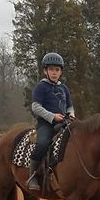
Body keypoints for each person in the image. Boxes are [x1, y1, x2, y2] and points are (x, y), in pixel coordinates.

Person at [27, 52, 75, 192]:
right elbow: (35, 107)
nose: (54, 73)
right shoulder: (41, 87)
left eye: (57, 70)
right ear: (45, 71)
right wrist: (52, 116)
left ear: (61, 72)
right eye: (51, 69)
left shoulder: (64, 88)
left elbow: (70, 106)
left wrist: (71, 115)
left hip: (64, 122)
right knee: (42, 143)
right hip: (46, 123)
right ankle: (33, 175)